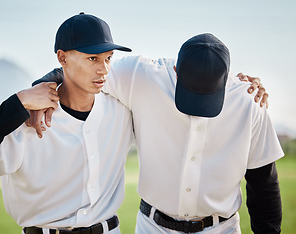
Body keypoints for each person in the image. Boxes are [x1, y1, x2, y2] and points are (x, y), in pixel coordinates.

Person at [31, 33, 283, 233]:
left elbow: (264, 183)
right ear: (175, 70)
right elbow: (81, 72)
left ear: (227, 78)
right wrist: (42, 90)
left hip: (222, 229)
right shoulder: (142, 76)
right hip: (153, 227)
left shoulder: (249, 100)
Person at [0, 13, 134, 234]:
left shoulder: (121, 109)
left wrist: (51, 79)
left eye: (108, 58)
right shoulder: (26, 121)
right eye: (92, 58)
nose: (103, 69)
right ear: (62, 58)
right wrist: (18, 102)